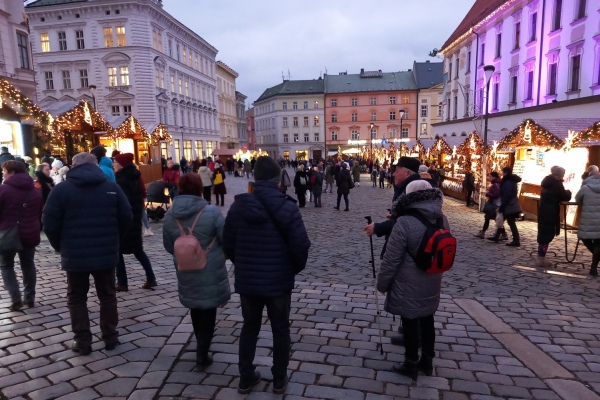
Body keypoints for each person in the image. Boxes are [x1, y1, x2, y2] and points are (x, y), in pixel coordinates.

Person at [223, 156, 310, 395]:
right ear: (278, 180)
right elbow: (301, 246)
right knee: (280, 329)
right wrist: (292, 269)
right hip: (279, 282)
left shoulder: (238, 206)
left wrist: (242, 263)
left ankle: (245, 377)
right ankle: (279, 379)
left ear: (255, 179)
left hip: (248, 281)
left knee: (249, 326)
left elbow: (227, 243)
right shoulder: (287, 206)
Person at [43, 152, 132, 355]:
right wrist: (115, 239)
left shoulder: (62, 189)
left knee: (76, 298)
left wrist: (60, 245)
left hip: (75, 254)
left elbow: (49, 222)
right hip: (106, 253)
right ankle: (110, 337)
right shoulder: (111, 187)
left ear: (73, 165)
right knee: (108, 295)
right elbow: (127, 217)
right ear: (95, 166)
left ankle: (82, 341)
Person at [377, 180, 447, 381]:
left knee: (409, 321)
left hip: (408, 281)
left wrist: (382, 284)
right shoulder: (442, 218)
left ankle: (410, 362)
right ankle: (427, 360)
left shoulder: (404, 222)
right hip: (432, 278)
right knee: (427, 318)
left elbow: (391, 258)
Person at [162, 173, 231, 367]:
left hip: (185, 269)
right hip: (210, 269)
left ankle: (200, 346)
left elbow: (169, 246)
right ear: (200, 188)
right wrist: (218, 256)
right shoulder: (211, 212)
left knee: (195, 307)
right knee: (208, 310)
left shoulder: (169, 215)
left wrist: (184, 254)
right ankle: (202, 352)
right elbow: (227, 239)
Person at [364, 156, 423, 345]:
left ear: (407, 172)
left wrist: (380, 227)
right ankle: (410, 332)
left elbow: (405, 223)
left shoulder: (410, 189)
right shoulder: (409, 187)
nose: (393, 173)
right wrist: (395, 214)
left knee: (408, 294)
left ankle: (412, 342)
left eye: (396, 170)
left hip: (409, 251)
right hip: (413, 248)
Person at [0, 160, 43, 311]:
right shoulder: (35, 190)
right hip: (30, 232)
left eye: (4, 171)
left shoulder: (3, 190)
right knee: (28, 264)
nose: (3, 174)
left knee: (6, 266)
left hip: (7, 234)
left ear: (11, 173)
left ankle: (15, 298)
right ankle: (29, 297)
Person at [113, 153, 157, 291]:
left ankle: (122, 283)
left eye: (115, 162)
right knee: (138, 250)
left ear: (122, 164)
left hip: (125, 220)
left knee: (118, 251)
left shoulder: (122, 179)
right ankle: (151, 278)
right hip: (135, 217)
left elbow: (122, 202)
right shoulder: (134, 176)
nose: (113, 164)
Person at [536, 166, 572, 267]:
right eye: (563, 174)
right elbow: (565, 196)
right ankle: (541, 259)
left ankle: (540, 257)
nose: (563, 176)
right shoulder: (557, 184)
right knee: (547, 235)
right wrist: (569, 192)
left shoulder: (546, 182)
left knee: (543, 234)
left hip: (543, 211)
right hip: (551, 212)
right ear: (559, 174)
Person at [488, 166, 522, 246]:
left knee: (511, 222)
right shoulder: (510, 180)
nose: (502, 173)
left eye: (503, 172)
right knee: (501, 220)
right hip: (510, 203)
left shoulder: (508, 182)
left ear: (505, 172)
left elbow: (507, 194)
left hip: (509, 205)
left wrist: (502, 206)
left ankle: (516, 241)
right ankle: (497, 236)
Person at [575, 170, 600, 276]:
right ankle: (593, 268)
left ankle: (595, 265)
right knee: (599, 243)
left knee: (585, 239)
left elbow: (577, 199)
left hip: (588, 219)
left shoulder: (585, 187)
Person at [475, 172, 502, 239]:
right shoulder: (498, 183)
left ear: (494, 177)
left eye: (490, 176)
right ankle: (483, 232)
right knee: (489, 218)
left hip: (494, 204)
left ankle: (503, 234)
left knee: (495, 219)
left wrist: (487, 194)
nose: (488, 177)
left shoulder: (495, 185)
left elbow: (496, 195)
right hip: (496, 204)